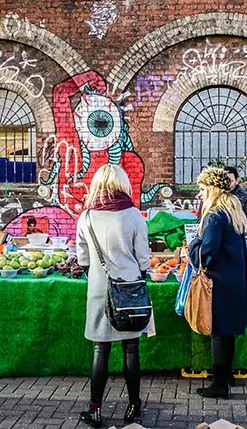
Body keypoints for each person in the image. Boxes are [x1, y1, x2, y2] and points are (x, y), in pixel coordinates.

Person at [75, 164, 155, 428]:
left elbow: (83, 259)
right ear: (123, 184)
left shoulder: (86, 217)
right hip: (130, 290)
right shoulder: (133, 215)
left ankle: (95, 408)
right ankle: (134, 405)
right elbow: (143, 258)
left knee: (101, 348)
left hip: (100, 290)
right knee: (131, 348)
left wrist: (97, 274)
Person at [188, 167, 247, 399]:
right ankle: (224, 379)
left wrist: (193, 244)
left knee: (218, 334)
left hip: (219, 282)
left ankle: (219, 385)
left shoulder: (214, 216)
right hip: (234, 280)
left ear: (212, 189)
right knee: (228, 334)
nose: (200, 194)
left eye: (202, 189)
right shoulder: (233, 210)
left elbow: (206, 253)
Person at [224, 166, 247, 231]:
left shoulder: (243, 196)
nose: (228, 184)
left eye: (231, 181)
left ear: (236, 181)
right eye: (225, 181)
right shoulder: (215, 194)